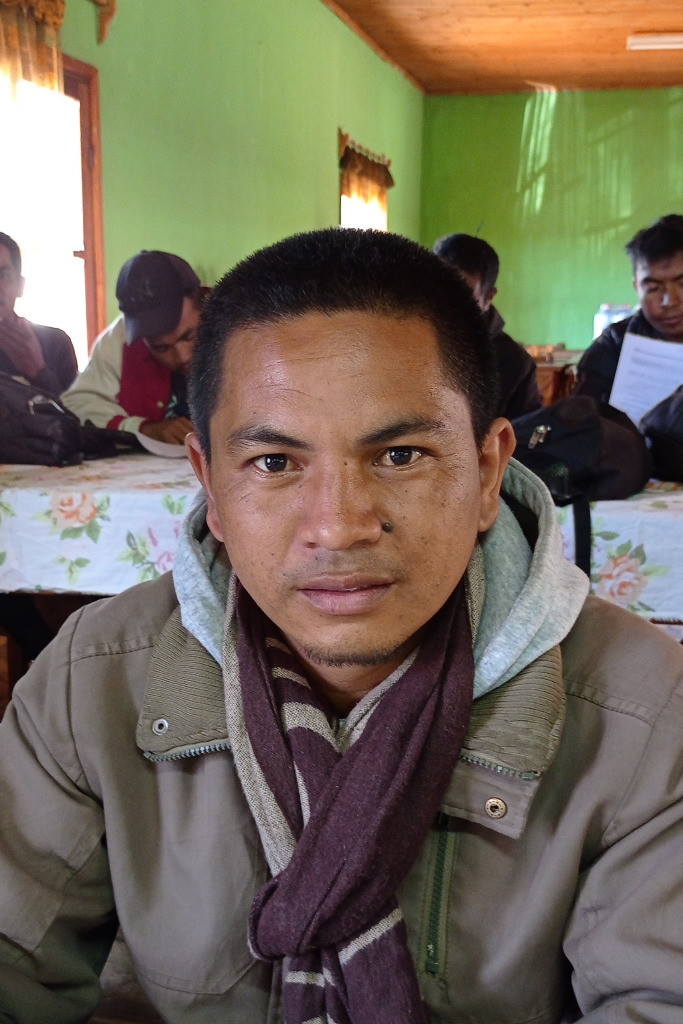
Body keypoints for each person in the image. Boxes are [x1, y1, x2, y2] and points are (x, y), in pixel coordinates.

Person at [0, 228, 682, 1024]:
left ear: (487, 471)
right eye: (274, 463)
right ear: (209, 486)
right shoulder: (92, 681)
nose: (338, 526)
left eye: (400, 455)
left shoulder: (641, 712)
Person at [62, 250, 203, 445]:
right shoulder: (118, 340)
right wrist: (144, 428)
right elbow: (76, 404)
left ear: (202, 302)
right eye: (161, 348)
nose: (182, 357)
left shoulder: (236, 324)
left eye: (189, 336)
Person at [433, 231, 542, 419]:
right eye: (437, 290)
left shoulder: (514, 364)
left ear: (489, 297)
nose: (446, 306)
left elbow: (527, 432)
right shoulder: (402, 337)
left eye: (463, 298)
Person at [576, 213, 683, 402]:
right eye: (653, 288)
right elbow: (584, 414)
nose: (670, 301)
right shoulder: (613, 346)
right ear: (637, 288)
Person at [0, 231, 78, 394]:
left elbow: (75, 409)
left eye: (3, 275)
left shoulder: (56, 344)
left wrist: (38, 372)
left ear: (20, 286)